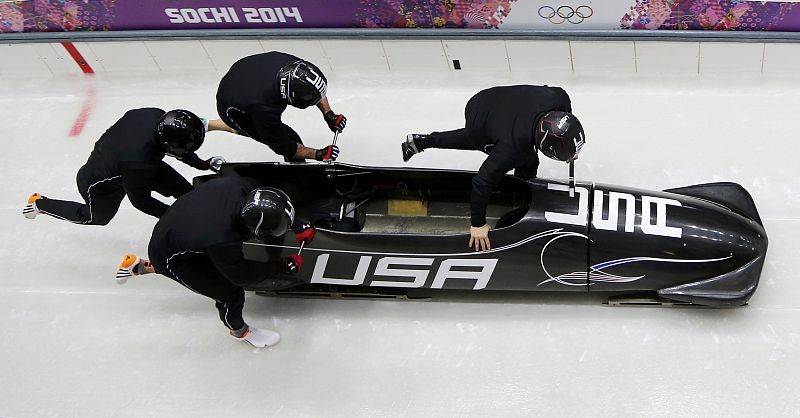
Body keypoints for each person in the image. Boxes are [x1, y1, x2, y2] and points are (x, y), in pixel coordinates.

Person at [115, 175, 316, 348]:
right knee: (229, 293)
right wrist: (282, 266)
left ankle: (137, 265)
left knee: (210, 260)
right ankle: (239, 331)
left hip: (179, 224)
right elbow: (241, 276)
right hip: (170, 253)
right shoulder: (222, 239)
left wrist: (297, 224)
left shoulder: (241, 186)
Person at [401, 85, 585, 252]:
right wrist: (478, 225)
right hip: (479, 113)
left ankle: (419, 141)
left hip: (496, 99)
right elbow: (482, 181)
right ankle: (520, 189)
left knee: (509, 143)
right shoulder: (512, 149)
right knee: (524, 159)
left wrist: (568, 147)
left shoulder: (559, 98)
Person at [23, 108, 231, 224]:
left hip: (129, 161)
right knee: (94, 218)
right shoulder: (140, 163)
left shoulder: (153, 115)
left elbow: (176, 148)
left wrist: (202, 165)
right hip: (100, 184)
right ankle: (39, 204)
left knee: (185, 192)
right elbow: (141, 201)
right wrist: (172, 216)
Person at [216, 51, 346, 163]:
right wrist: (318, 154)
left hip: (246, 75)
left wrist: (328, 114)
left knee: (269, 130)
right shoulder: (263, 107)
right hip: (230, 106)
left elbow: (314, 86)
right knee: (289, 136)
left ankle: (210, 124)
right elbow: (283, 146)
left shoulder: (294, 64)